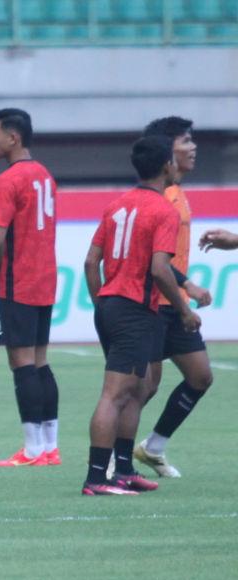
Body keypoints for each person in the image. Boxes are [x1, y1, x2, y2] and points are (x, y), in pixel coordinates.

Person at [82, 135, 198, 496]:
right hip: (134, 309)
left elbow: (91, 262)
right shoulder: (164, 211)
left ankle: (123, 470)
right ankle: (96, 478)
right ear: (166, 165)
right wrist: (184, 311)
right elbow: (160, 270)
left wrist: (101, 303)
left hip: (114, 306)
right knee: (115, 394)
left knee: (138, 389)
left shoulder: (117, 205)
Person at [129, 117, 214, 478]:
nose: (193, 147)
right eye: (186, 141)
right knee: (142, 388)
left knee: (200, 376)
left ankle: (153, 447)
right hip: (153, 302)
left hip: (173, 303)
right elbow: (153, 258)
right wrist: (188, 284)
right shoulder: (160, 194)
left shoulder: (176, 190)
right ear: (167, 151)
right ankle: (115, 460)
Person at [0, 108, 62, 468]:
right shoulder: (45, 174)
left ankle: (31, 450)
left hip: (19, 280)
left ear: (13, 138)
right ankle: (50, 447)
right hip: (45, 278)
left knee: (22, 363)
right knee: (41, 361)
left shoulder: (7, 180)